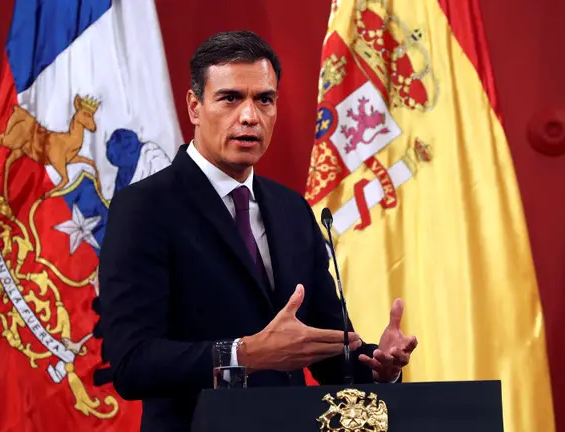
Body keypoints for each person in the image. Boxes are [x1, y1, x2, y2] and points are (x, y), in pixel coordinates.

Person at [98, 30, 418, 431]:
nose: (249, 116)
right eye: (231, 98)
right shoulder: (145, 208)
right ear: (195, 106)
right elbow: (132, 364)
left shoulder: (292, 209)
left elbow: (327, 350)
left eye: (264, 99)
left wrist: (378, 367)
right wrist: (243, 354)